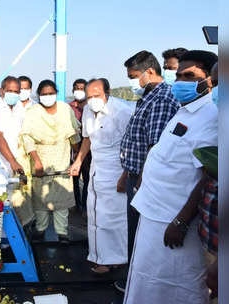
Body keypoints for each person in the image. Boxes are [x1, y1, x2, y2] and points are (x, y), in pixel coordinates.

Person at [123, 50, 218, 304]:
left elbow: (208, 177)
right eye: (178, 76)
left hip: (174, 221)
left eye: (190, 76)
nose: (181, 81)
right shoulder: (184, 110)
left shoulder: (212, 117)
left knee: (177, 286)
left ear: (209, 80)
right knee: (147, 280)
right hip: (153, 212)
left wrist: (181, 221)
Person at [115, 50, 180, 292]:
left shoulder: (161, 99)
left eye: (133, 76)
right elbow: (136, 140)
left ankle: (141, 286)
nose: (132, 82)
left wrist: (142, 181)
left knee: (143, 235)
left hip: (144, 180)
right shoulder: (149, 96)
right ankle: (136, 280)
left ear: (149, 72)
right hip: (134, 175)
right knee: (135, 232)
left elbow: (155, 147)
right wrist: (126, 174)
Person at [69, 78, 133, 273]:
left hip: (117, 172)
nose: (93, 100)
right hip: (97, 170)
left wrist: (125, 176)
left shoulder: (123, 112)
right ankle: (99, 256)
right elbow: (87, 139)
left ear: (108, 92)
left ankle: (118, 259)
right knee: (96, 216)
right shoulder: (88, 110)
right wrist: (78, 162)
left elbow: (132, 146)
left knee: (115, 218)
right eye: (89, 97)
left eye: (97, 96)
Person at [21, 79, 81, 244]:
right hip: (40, 156)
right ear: (39, 96)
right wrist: (37, 161)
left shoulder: (65, 108)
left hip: (61, 154)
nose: (48, 97)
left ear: (56, 93)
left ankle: (62, 233)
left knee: (62, 197)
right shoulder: (33, 112)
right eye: (44, 94)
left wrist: (77, 153)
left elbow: (73, 133)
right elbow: (27, 138)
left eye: (50, 94)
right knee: (40, 199)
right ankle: (40, 230)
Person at [0, 76, 34, 231]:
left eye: (16, 91)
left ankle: (9, 238)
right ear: (1, 91)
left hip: (15, 163)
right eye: (9, 91)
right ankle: (0, 241)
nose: (13, 94)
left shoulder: (19, 108)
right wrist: (12, 161)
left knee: (10, 201)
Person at [69, 78, 91, 212]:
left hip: (89, 150)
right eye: (77, 88)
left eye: (82, 88)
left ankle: (85, 206)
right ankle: (76, 205)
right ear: (73, 90)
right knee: (74, 179)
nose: (79, 91)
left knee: (88, 178)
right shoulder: (68, 108)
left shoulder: (91, 106)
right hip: (73, 149)